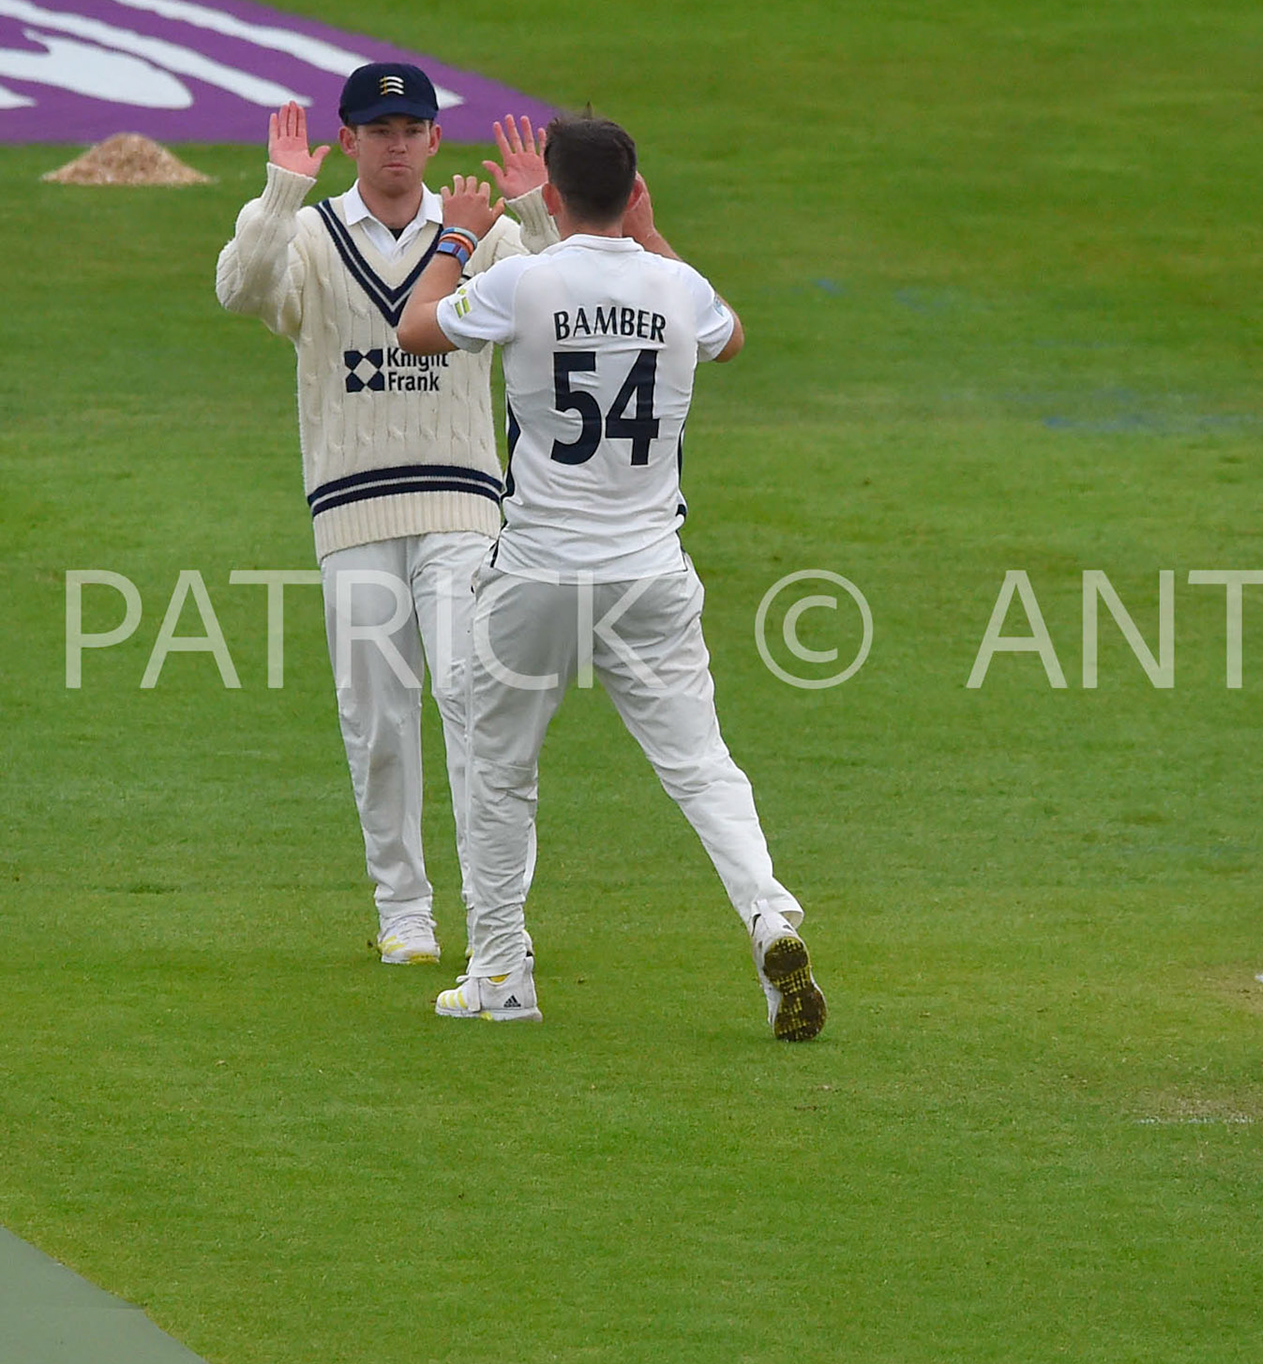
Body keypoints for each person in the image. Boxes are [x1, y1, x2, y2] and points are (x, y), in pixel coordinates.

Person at [393, 114, 824, 1038]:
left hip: (539, 570)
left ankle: (502, 975)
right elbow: (733, 338)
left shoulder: (524, 279)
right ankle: (769, 915)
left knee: (500, 770)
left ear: (548, 195)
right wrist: (652, 233)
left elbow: (416, 329)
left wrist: (457, 238)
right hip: (650, 573)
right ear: (633, 191)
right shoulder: (679, 287)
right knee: (702, 765)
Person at [216, 63, 558, 966]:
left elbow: (561, 303)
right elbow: (242, 292)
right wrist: (280, 191)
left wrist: (530, 214)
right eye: (378, 130)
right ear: (349, 140)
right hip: (354, 510)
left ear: (435, 141)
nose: (396, 145)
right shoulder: (313, 236)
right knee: (376, 718)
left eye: (410, 131)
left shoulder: (474, 229)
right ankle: (405, 912)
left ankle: (498, 911)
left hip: (463, 506)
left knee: (470, 695)